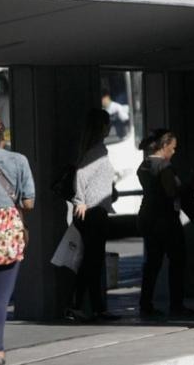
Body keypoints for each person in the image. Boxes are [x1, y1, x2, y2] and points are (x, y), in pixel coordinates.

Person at [0, 115, 34, 365]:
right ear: (3, 137)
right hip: (6, 229)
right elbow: (28, 202)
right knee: (0, 294)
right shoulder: (18, 161)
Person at [68, 109, 120, 322]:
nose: (109, 128)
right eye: (107, 124)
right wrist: (80, 201)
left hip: (94, 210)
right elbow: (81, 173)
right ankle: (81, 305)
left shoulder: (92, 149)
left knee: (91, 262)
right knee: (92, 262)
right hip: (93, 211)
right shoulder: (98, 150)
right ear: (102, 127)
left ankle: (88, 306)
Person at [136, 129, 193, 317]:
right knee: (177, 261)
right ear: (164, 145)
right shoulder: (164, 166)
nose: (174, 151)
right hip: (166, 218)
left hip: (147, 215)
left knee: (152, 262)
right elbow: (170, 191)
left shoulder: (144, 165)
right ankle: (177, 304)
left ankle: (145, 303)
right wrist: (183, 189)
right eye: (173, 148)